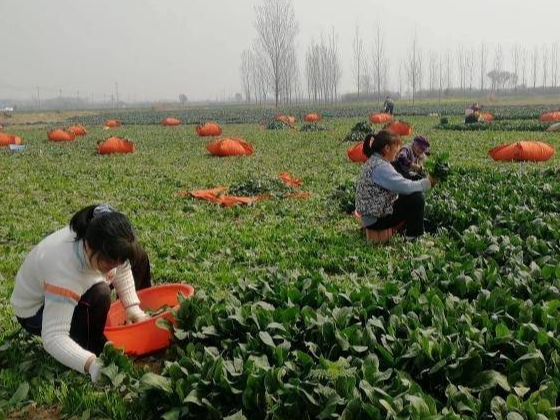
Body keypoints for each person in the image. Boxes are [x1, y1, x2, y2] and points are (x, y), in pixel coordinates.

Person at [10, 204, 152, 382]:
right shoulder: (64, 271)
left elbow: (121, 268)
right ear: (89, 246)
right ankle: (90, 344)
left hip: (78, 283)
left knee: (139, 256)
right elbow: (53, 336)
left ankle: (121, 322)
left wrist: (133, 309)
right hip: (36, 312)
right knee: (99, 294)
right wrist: (90, 363)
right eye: (108, 262)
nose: (114, 267)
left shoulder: (102, 234)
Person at [355, 130, 437, 241]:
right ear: (387, 148)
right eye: (395, 149)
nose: (397, 153)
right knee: (416, 198)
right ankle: (413, 238)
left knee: (408, 195)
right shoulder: (381, 167)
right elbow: (405, 187)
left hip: (371, 216)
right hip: (376, 220)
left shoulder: (374, 161)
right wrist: (427, 183)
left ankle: (410, 232)